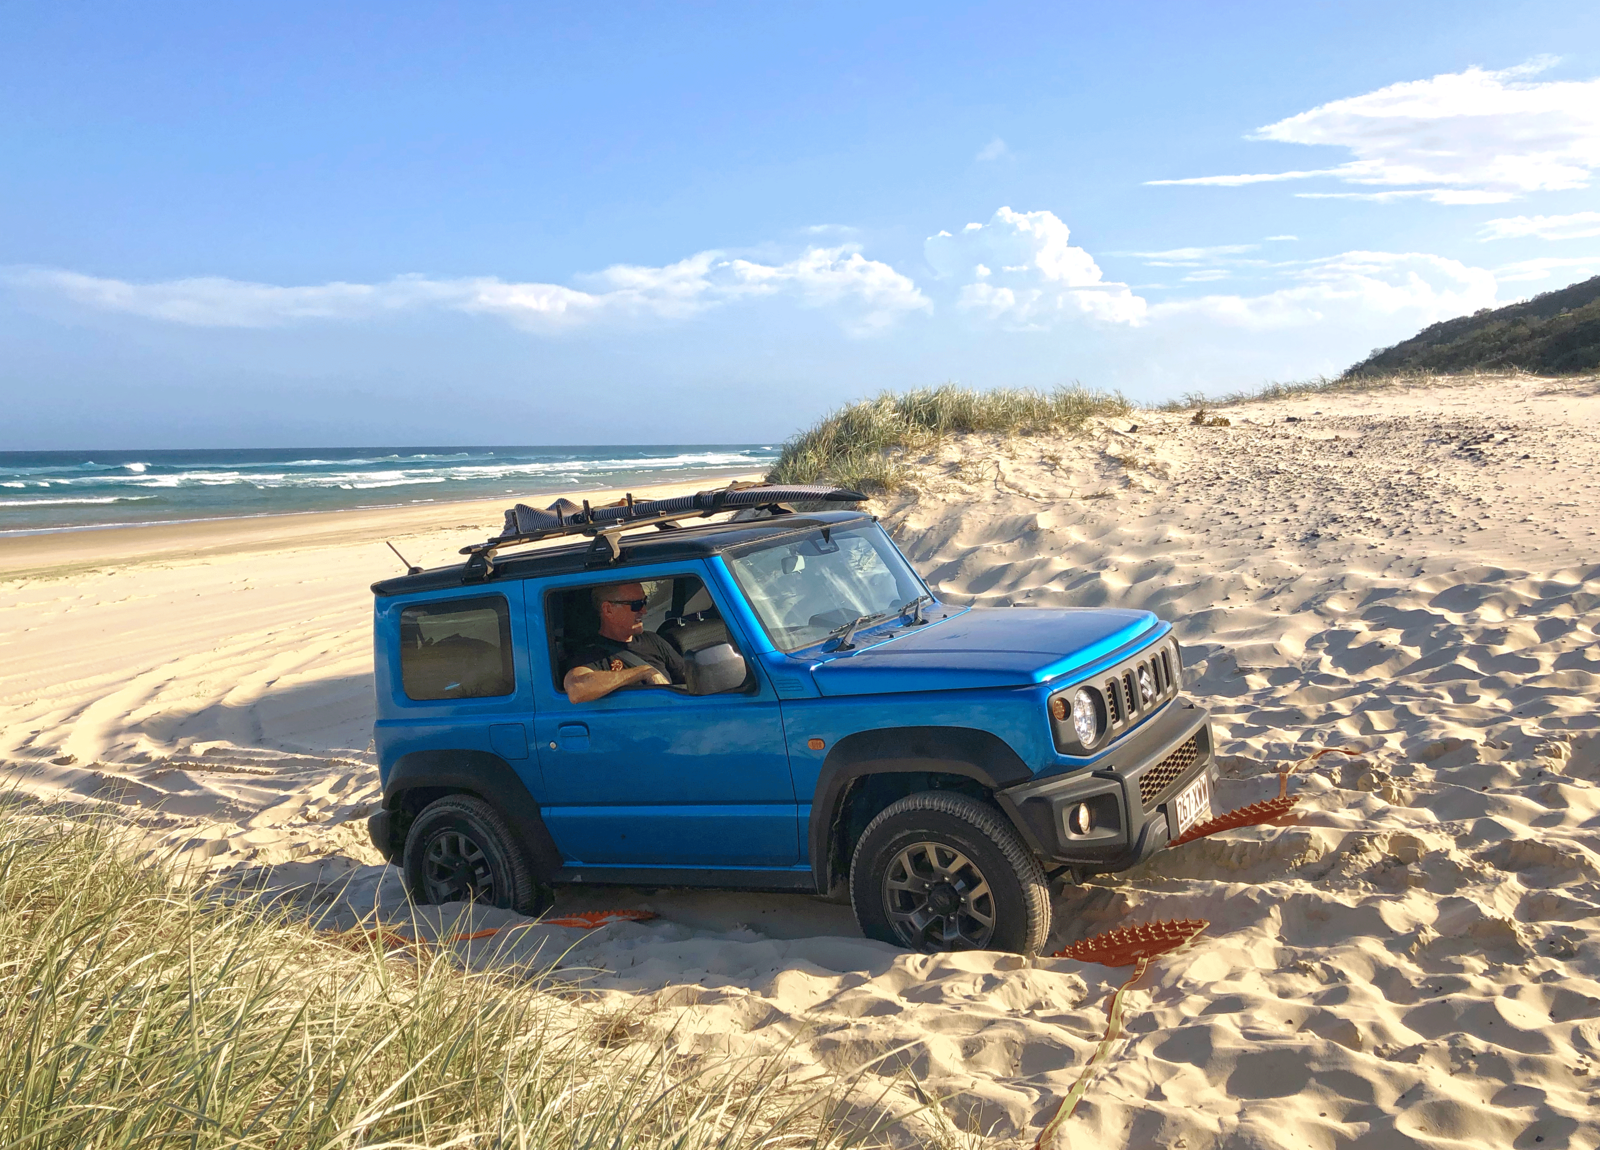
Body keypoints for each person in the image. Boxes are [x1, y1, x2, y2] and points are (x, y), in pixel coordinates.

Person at [562, 581, 688, 702]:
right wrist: (643, 672)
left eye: (645, 602)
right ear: (608, 609)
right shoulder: (590, 654)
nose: (644, 611)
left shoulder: (653, 640)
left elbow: (688, 676)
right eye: (636, 605)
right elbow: (576, 689)